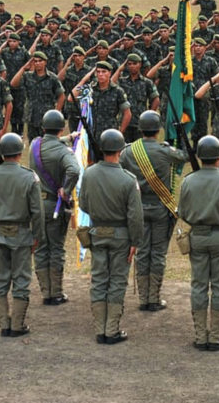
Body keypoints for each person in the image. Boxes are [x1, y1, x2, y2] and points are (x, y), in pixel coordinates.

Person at [178, 135, 219, 351]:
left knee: (198, 285)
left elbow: (183, 213)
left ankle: (199, 335)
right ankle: (215, 336)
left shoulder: (188, 181)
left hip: (197, 237)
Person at [79, 129, 143, 345]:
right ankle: (112, 330)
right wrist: (135, 241)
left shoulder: (89, 173)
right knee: (117, 281)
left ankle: (100, 329)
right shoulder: (128, 179)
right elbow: (135, 216)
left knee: (98, 279)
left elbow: (84, 205)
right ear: (120, 151)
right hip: (121, 236)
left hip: (97, 232)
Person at [119, 111, 187, 312]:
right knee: (157, 254)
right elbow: (183, 157)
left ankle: (143, 298)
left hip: (137, 209)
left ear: (140, 129)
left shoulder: (129, 151)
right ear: (158, 130)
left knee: (141, 253)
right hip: (160, 208)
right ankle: (153, 298)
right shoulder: (166, 151)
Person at [0, 133, 44, 337]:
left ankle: (3, 323)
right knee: (21, 279)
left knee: (0, 279)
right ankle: (17, 324)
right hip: (22, 233)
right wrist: (38, 236)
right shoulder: (28, 177)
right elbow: (37, 212)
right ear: (20, 152)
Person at [29, 110, 81, 306]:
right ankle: (56, 293)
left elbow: (52, 141)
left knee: (41, 247)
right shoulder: (63, 151)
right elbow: (74, 170)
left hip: (37, 205)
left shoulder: (34, 145)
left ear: (43, 128)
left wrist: (69, 138)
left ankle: (45, 292)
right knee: (56, 248)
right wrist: (66, 190)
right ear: (61, 128)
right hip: (54, 205)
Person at [10, 51, 65, 141]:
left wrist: (56, 112)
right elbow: (13, 84)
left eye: (40, 61)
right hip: (31, 117)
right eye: (35, 61)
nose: (37, 63)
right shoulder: (28, 76)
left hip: (46, 119)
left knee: (47, 144)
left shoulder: (52, 78)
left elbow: (61, 96)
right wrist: (24, 68)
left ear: (45, 62)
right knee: (33, 145)